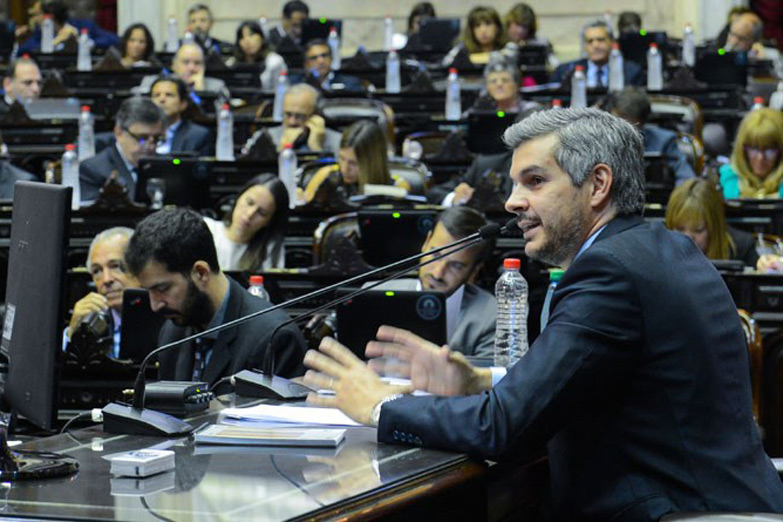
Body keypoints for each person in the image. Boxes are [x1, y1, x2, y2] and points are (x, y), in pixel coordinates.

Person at [302, 108, 783, 520]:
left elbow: (502, 428)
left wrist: (378, 406)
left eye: (534, 181)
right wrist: (482, 382)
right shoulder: (663, 249)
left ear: (597, 184)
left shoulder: (608, 273)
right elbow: (606, 378)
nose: (512, 202)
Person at [124, 208, 307, 387]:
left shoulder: (274, 339)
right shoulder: (172, 333)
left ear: (201, 273)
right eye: (148, 291)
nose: (155, 305)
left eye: (163, 288)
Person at [375, 207, 496, 357]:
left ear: (475, 270)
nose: (438, 274)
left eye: (455, 266)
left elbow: (490, 379)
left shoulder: (493, 316)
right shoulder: (373, 294)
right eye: (435, 255)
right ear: (426, 242)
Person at [64, 227, 137, 358]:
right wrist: (73, 333)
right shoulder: (91, 323)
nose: (106, 279)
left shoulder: (168, 321)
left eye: (115, 266)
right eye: (97, 271)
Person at [603, 87, 696, 185]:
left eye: (629, 124)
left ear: (642, 122)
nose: (621, 129)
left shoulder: (664, 142)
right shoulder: (599, 141)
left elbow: (687, 179)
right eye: (616, 121)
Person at [79, 97, 164, 203]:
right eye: (142, 138)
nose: (150, 146)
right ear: (119, 133)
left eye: (156, 139)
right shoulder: (92, 170)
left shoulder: (165, 167)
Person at [665, 178, 759, 268]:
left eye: (698, 230)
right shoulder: (657, 252)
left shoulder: (742, 248)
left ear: (715, 226)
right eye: (679, 229)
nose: (688, 238)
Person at [203, 174, 289, 271]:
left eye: (261, 213)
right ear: (239, 197)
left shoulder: (270, 249)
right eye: (249, 202)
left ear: (269, 221)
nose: (249, 214)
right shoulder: (206, 229)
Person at [303, 120, 404, 202]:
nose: (344, 169)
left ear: (373, 163)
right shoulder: (326, 176)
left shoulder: (398, 187)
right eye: (342, 158)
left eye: (354, 163)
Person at [241, 83, 341, 154]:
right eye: (288, 114)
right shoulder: (266, 138)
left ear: (315, 115)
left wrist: (316, 149)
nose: (292, 122)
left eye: (300, 116)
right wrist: (282, 149)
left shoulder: (337, 142)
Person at [551, 19, 643, 87]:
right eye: (590, 41)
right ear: (585, 46)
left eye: (600, 40)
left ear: (612, 42)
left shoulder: (632, 71)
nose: (595, 45)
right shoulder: (565, 71)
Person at [720, 108, 783, 199]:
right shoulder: (730, 176)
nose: (760, 158)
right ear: (742, 149)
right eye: (754, 148)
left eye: (769, 150)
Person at [17, 0, 119, 54]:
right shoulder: (40, 32)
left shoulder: (82, 26)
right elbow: (22, 50)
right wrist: (55, 42)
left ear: (50, 17)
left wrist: (83, 42)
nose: (34, 18)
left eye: (37, 15)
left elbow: (114, 39)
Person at [135, 43, 229, 98]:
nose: (191, 68)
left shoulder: (217, 87)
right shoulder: (153, 83)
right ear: (174, 65)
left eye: (197, 63)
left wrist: (200, 91)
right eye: (186, 62)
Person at [150, 76, 212, 157]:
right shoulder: (140, 132)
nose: (161, 99)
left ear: (183, 104)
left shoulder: (197, 135)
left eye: (169, 95)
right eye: (156, 95)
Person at [226, 21, 287, 92]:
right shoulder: (231, 64)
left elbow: (281, 91)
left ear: (262, 38)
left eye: (251, 35)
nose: (247, 41)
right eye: (242, 37)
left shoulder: (275, 62)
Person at [725, 12, 783, 77]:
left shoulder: (770, 56)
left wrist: (762, 63)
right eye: (732, 34)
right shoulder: (723, 51)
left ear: (753, 41)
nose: (733, 41)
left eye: (741, 38)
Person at [503, 3, 559, 70]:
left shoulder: (540, 45)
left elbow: (556, 66)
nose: (520, 31)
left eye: (524, 27)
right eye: (517, 24)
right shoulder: (500, 42)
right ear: (509, 22)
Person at [469, 62, 541, 113]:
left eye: (505, 80)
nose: (499, 84)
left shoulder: (532, 110)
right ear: (487, 87)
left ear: (516, 85)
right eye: (493, 81)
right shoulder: (478, 111)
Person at [294, 39, 363, 92]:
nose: (320, 61)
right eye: (314, 58)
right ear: (306, 64)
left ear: (331, 58)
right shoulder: (298, 85)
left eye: (324, 56)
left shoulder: (349, 83)